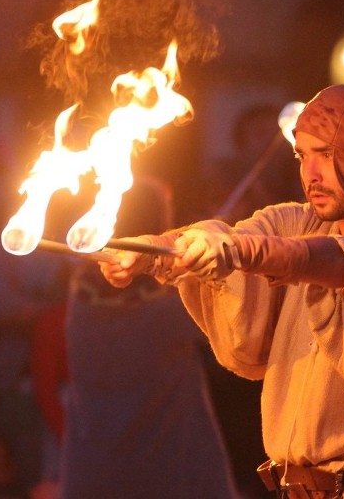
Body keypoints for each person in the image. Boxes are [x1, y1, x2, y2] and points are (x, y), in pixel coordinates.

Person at [100, 84, 344, 498]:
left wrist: (240, 251)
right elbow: (220, 236)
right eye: (302, 155)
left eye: (326, 154)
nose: (310, 173)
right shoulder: (299, 222)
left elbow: (340, 261)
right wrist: (152, 252)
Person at [59, 176, 239, 499]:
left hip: (96, 465)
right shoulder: (170, 302)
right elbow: (227, 317)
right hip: (171, 464)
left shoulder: (80, 291)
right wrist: (217, 249)